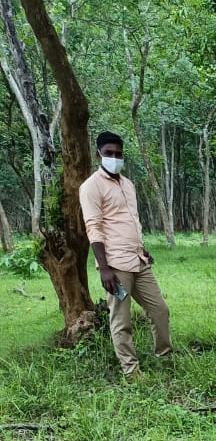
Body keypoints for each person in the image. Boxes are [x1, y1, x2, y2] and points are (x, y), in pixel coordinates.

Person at [78, 132, 172, 379]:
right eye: (109, 153)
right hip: (115, 265)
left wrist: (141, 248)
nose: (114, 158)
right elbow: (94, 227)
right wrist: (104, 268)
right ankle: (131, 372)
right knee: (122, 320)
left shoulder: (128, 184)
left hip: (138, 260)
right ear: (99, 153)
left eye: (118, 154)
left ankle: (165, 357)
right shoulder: (90, 187)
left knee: (160, 310)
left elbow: (130, 221)